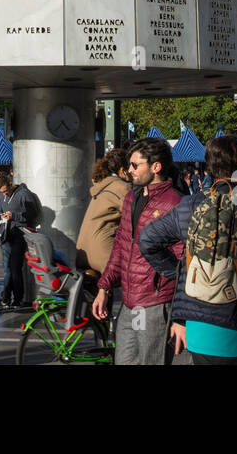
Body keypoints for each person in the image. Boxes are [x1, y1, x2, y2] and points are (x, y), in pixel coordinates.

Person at [140, 134, 237, 364]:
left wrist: (181, 270)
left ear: (210, 168)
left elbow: (147, 240)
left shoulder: (189, 206)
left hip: (202, 334)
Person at [93, 138, 184, 364]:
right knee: (124, 359)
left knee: (150, 360)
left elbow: (183, 261)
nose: (129, 170)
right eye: (129, 165)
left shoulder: (174, 203)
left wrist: (181, 316)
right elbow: (121, 245)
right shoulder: (132, 197)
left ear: (156, 167)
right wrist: (104, 286)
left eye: (136, 165)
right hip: (130, 300)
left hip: (154, 302)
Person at [0, 173, 41, 311]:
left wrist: (15, 216)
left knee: (15, 268)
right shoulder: (2, 196)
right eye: (2, 192)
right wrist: (3, 216)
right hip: (6, 234)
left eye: (6, 191)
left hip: (19, 234)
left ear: (10, 184)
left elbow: (33, 215)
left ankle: (16, 298)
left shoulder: (23, 194)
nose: (5, 194)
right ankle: (6, 297)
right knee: (7, 269)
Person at [75, 146, 131, 275]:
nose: (133, 171)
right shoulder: (122, 187)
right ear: (122, 170)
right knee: (135, 273)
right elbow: (135, 218)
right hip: (101, 251)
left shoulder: (102, 185)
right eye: (131, 167)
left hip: (82, 250)